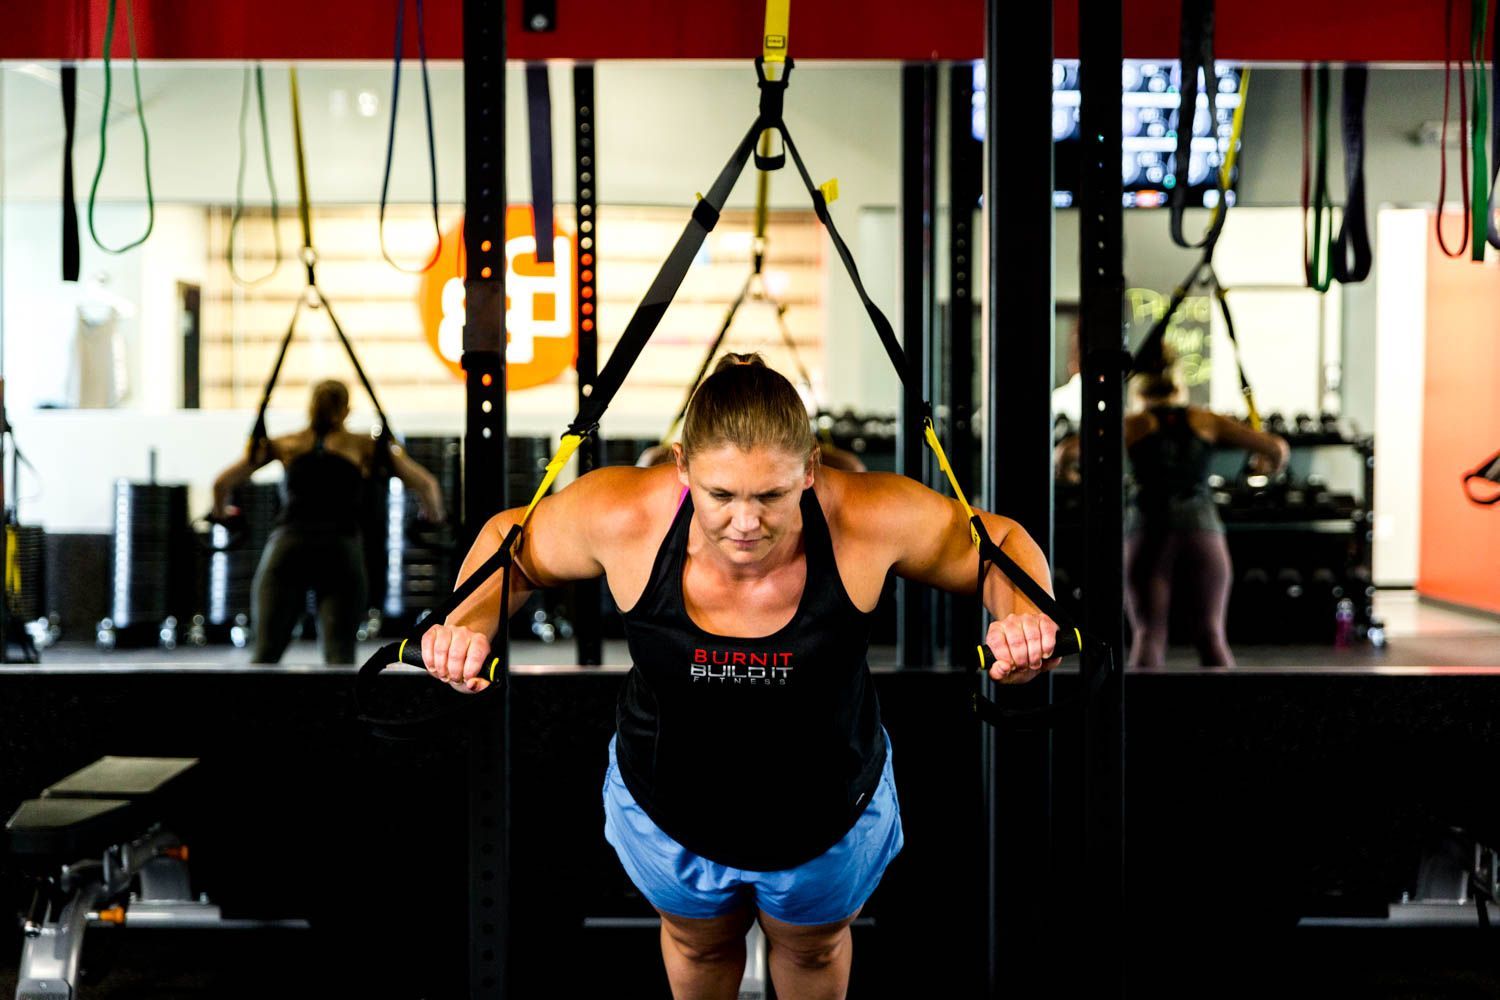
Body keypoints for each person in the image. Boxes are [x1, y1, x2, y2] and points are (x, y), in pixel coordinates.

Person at [419, 353, 1060, 999]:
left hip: (830, 809)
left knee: (812, 953)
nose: (746, 522)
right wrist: (466, 626)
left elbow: (995, 543)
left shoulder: (866, 517)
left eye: (772, 495)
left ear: (810, 468)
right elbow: (514, 544)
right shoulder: (624, 516)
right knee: (699, 947)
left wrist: (1024, 619)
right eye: (720, 494)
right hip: (667, 805)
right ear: (681, 467)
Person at [212, 379, 445, 665]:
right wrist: (433, 519)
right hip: (339, 550)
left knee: (265, 655)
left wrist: (222, 514)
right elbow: (428, 485)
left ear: (310, 407)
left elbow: (222, 483)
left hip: (289, 548)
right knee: (339, 658)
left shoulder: (287, 444)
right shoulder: (364, 446)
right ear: (346, 409)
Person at [1123, 364, 1288, 669]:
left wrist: (1067, 470)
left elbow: (1067, 451)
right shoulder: (1204, 420)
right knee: (1211, 635)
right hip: (1200, 528)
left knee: (1148, 634)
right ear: (1178, 384)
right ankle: (1230, 715)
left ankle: (1138, 716)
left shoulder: (1134, 424)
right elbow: (1276, 448)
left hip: (1149, 529)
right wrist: (1265, 467)